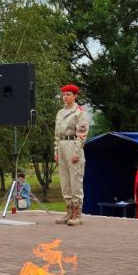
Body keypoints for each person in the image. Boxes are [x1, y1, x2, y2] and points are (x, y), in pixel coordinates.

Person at [54, 84, 89, 226]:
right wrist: (56, 150)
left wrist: (76, 152)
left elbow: (82, 134)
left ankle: (77, 213)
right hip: (62, 145)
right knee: (65, 181)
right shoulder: (60, 113)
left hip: (73, 145)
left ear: (75, 96)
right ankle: (68, 212)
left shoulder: (79, 112)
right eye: (63, 94)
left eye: (68, 94)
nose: (65, 97)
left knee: (75, 180)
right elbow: (56, 135)